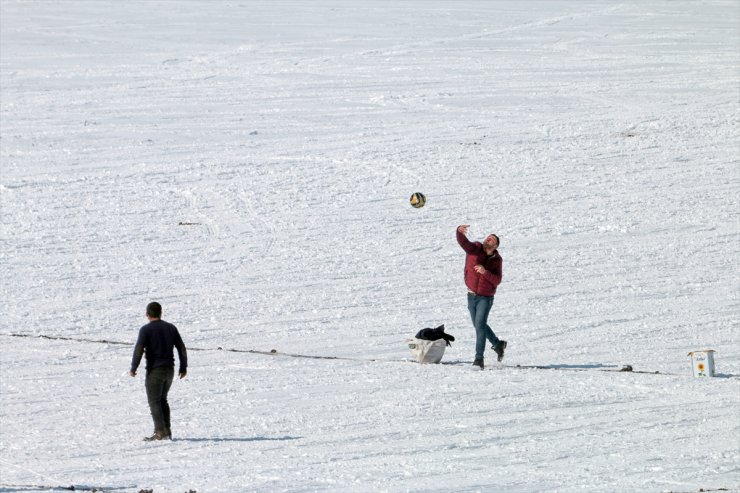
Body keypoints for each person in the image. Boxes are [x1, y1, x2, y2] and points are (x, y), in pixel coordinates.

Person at [129, 302, 188, 441]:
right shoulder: (171, 328)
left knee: (154, 401)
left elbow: (139, 349)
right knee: (162, 400)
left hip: (155, 370)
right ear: (161, 312)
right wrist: (183, 367)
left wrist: (133, 367)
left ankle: (160, 432)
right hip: (170, 370)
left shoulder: (145, 330)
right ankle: (167, 431)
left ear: (147, 314)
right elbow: (181, 348)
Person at [456, 224, 506, 369]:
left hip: (485, 297)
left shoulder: (497, 260)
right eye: (487, 238)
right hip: (471, 295)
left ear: (495, 245)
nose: (488, 240)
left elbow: (497, 280)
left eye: (491, 239)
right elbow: (463, 242)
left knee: (479, 325)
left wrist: (485, 272)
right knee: (479, 325)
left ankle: (479, 359)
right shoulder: (475, 248)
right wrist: (459, 231)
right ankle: (498, 344)